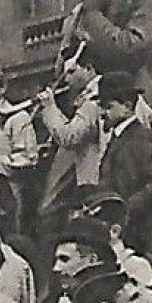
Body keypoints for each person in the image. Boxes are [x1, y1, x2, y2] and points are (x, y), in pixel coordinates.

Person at [96, 72, 152, 272]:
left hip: (145, 236)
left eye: (108, 107)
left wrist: (128, 206)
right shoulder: (120, 138)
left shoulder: (140, 139)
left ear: (128, 107)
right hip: (127, 234)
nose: (102, 113)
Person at [33, 43, 102, 237]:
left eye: (72, 72)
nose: (68, 79)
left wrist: (49, 107)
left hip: (92, 180)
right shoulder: (89, 97)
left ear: (89, 69)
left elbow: (70, 137)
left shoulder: (93, 100)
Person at [75, 187, 152, 287]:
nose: (86, 234)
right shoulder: (88, 258)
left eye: (93, 228)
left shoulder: (135, 265)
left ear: (115, 231)